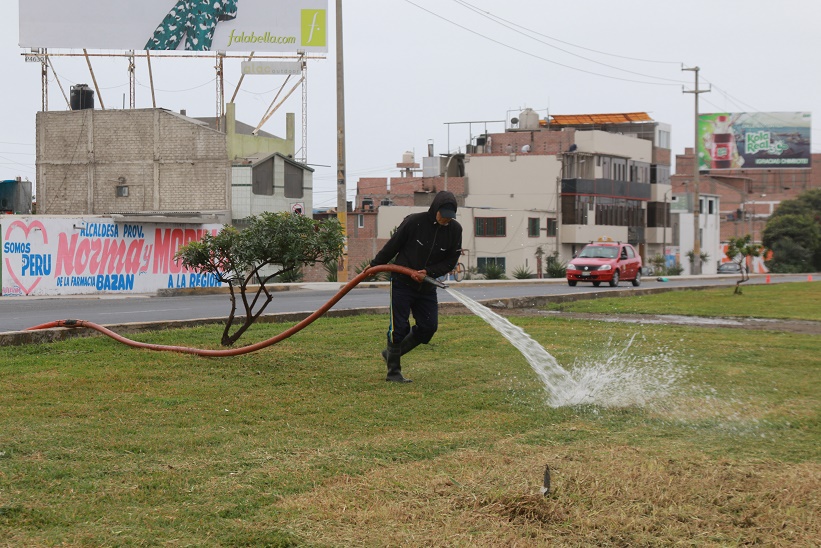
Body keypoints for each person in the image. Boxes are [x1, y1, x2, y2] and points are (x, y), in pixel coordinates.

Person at [369, 191, 463, 383]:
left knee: (429, 327)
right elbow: (393, 246)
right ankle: (393, 372)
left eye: (449, 217)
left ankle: (391, 354)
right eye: (443, 215)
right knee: (399, 328)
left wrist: (428, 272)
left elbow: (450, 261)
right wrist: (374, 266)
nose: (446, 219)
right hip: (402, 283)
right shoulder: (414, 222)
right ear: (435, 209)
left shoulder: (455, 230)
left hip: (426, 287)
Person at [145, 0, 238, 51]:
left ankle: (194, 75)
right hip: (189, 2)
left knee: (197, 48)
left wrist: (228, 7)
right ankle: (144, 67)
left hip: (208, 5)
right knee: (164, 35)